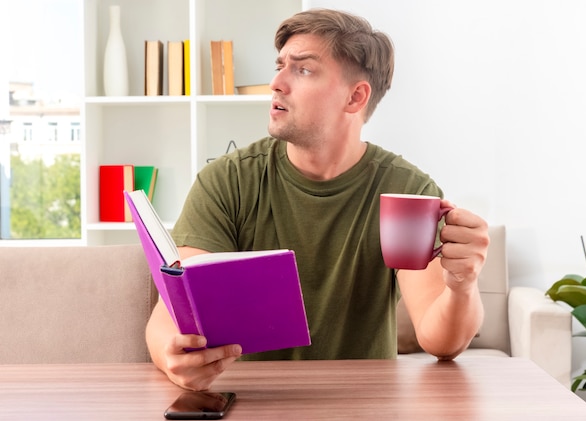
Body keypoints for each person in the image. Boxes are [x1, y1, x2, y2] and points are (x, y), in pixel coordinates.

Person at [146, 8, 488, 391]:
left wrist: (462, 283)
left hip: (364, 405)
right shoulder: (227, 181)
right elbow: (172, 315)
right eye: (279, 66)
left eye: (303, 69)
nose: (276, 82)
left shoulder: (407, 192)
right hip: (252, 401)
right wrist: (171, 356)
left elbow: (439, 341)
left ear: (355, 97)